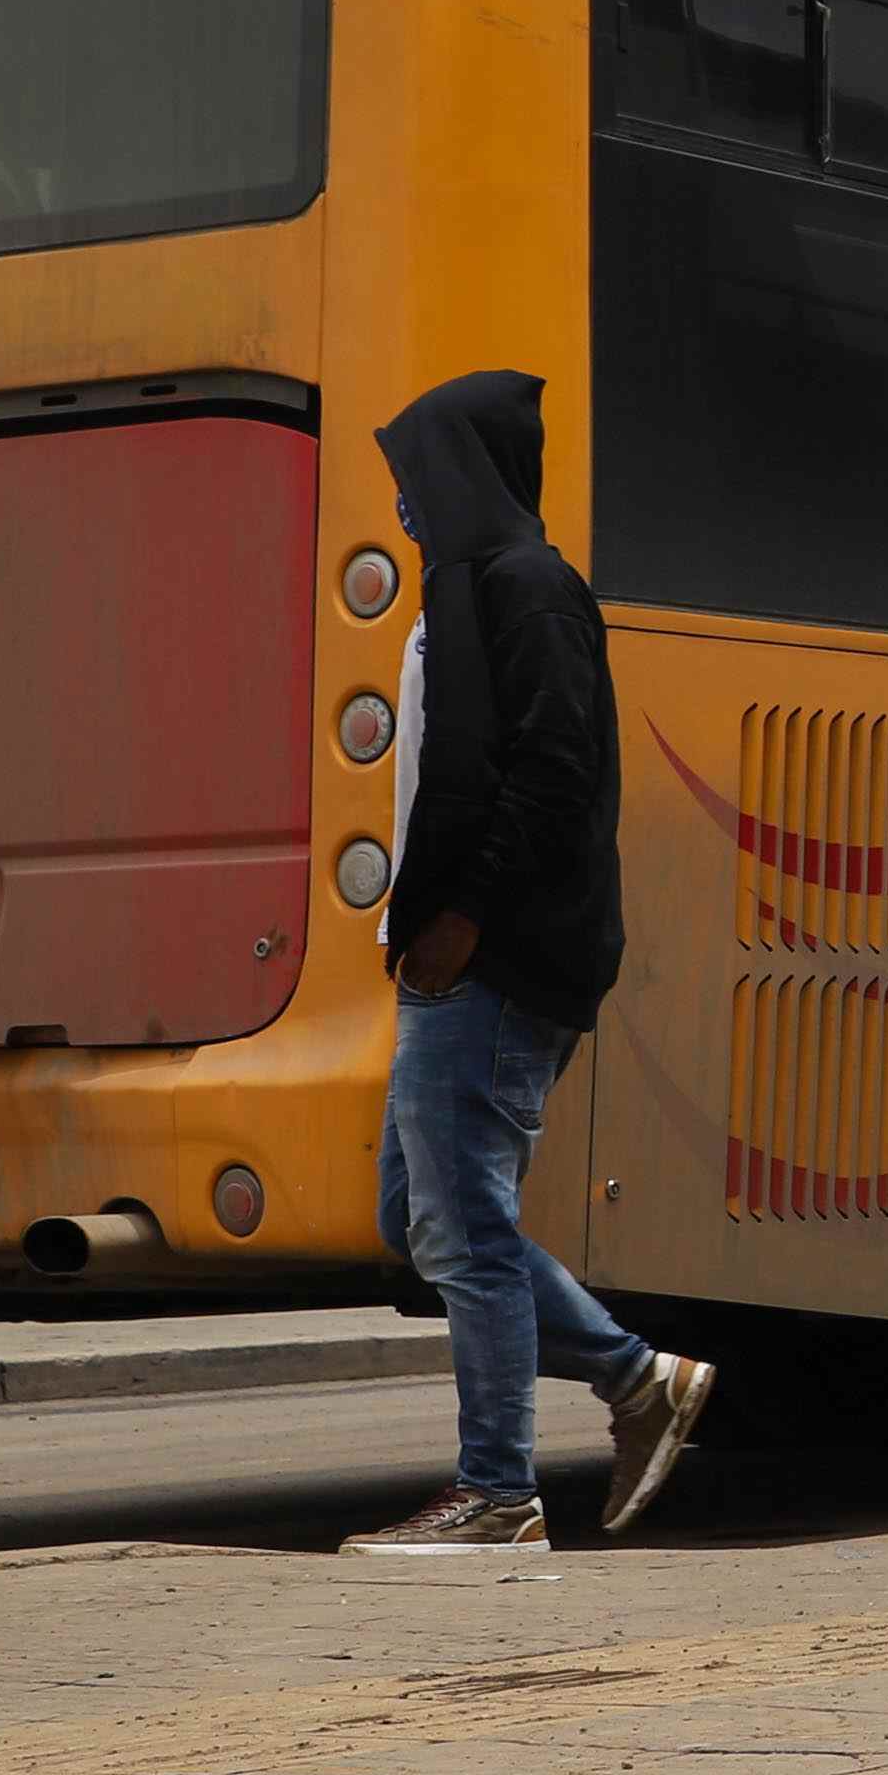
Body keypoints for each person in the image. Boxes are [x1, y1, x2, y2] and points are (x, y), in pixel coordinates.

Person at [342, 372, 716, 1556]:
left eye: (417, 481)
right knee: (424, 1218)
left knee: (464, 1220)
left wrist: (464, 915)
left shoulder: (528, 589)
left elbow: (553, 773)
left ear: (467, 478)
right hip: (458, 949)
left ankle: (496, 1490)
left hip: (495, 955)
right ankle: (634, 1375)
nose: (403, 507)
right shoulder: (463, 594)